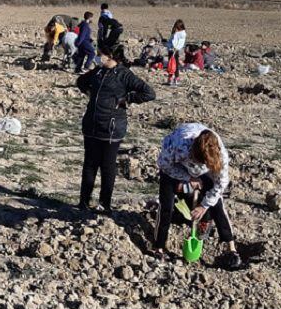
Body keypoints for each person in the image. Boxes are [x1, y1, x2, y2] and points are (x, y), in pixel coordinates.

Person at [76, 44, 156, 213]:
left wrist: (126, 99)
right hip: (91, 125)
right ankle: (83, 201)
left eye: (101, 54)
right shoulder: (98, 72)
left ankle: (104, 204)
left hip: (111, 128)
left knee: (107, 166)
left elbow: (149, 93)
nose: (98, 57)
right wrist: (90, 93)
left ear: (111, 55)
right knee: (89, 164)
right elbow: (80, 81)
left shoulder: (124, 74)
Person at [152, 123, 241, 268]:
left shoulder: (221, 156)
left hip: (203, 167)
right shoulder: (180, 146)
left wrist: (204, 206)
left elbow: (220, 185)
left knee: (217, 203)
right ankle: (159, 247)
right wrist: (187, 178)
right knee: (166, 205)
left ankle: (231, 248)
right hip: (175, 164)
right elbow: (163, 164)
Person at [167, 20, 187, 85]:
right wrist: (169, 47)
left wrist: (176, 48)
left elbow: (180, 42)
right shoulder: (174, 32)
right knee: (170, 64)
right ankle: (170, 78)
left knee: (175, 64)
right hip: (171, 50)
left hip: (175, 50)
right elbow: (170, 40)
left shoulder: (182, 33)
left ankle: (176, 77)